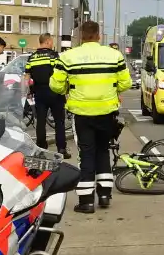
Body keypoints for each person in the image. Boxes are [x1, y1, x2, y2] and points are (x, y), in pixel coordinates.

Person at [51, 21, 131, 213]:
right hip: (106, 112)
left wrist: (68, 90)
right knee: (103, 151)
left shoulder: (67, 57)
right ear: (98, 35)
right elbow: (126, 83)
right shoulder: (114, 56)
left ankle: (86, 201)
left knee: (86, 154)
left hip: (82, 113)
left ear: (81, 37)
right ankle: (104, 196)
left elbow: (56, 85)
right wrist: (111, 91)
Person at [26, 33, 70, 158]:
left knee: (40, 121)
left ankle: (41, 149)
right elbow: (60, 73)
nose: (52, 43)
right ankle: (61, 149)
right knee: (59, 122)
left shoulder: (32, 57)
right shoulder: (53, 56)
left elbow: (27, 76)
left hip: (39, 93)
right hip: (55, 92)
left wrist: (28, 91)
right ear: (48, 41)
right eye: (51, 41)